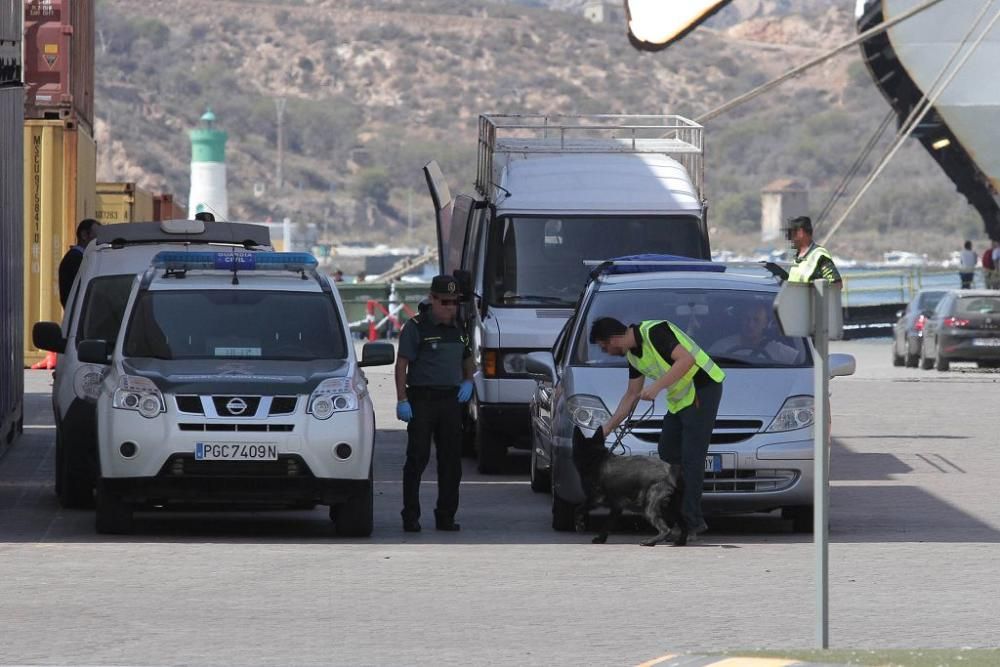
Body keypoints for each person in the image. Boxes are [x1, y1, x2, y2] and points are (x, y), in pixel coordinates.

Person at [589, 317, 725, 541]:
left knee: (691, 458)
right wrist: (605, 430)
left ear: (614, 339)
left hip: (703, 389)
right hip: (681, 398)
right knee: (668, 452)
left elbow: (686, 360)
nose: (606, 352)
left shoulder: (655, 332)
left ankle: (691, 523)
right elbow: (631, 394)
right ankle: (677, 514)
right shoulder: (633, 355)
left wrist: (656, 387)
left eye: (605, 347)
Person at [394, 275, 474, 532]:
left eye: (454, 302)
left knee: (451, 462)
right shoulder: (416, 327)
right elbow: (402, 365)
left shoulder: (459, 328)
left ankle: (446, 516)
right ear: (432, 299)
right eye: (445, 302)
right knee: (418, 458)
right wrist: (402, 400)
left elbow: (467, 358)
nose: (450, 307)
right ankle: (411, 516)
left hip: (450, 401)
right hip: (422, 400)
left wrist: (468, 381)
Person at [710, 302, 799, 364]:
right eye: (747, 319)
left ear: (765, 323)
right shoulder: (722, 347)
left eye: (756, 320)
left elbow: (802, 361)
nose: (750, 325)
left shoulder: (778, 351)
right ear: (741, 320)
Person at [785, 216, 842, 284]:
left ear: (800, 233)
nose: (790, 239)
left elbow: (837, 284)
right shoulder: (795, 257)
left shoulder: (819, 255)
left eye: (791, 234)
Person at [58, 218, 101, 307]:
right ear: (84, 235)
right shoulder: (75, 259)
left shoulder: (82, 257)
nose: (99, 241)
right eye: (96, 236)